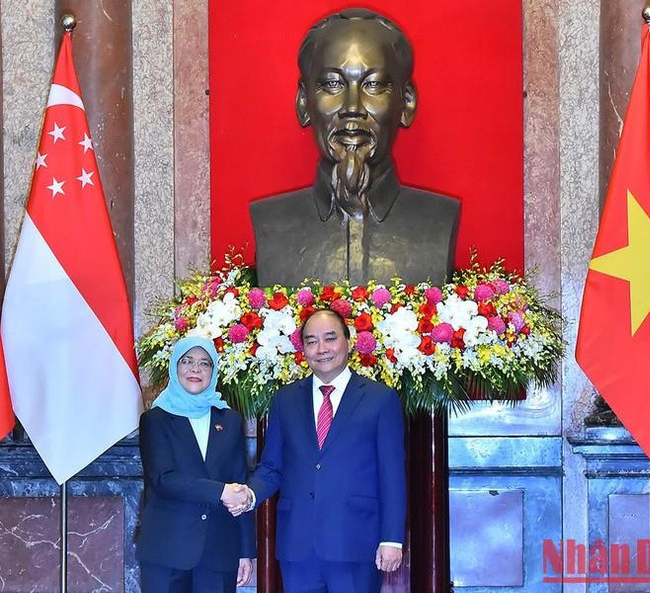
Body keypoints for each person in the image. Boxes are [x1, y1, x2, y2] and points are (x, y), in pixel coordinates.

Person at [251, 8, 460, 287]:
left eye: (373, 84)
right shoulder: (270, 223)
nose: (352, 108)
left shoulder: (439, 220)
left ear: (406, 102)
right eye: (332, 84)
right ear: (304, 102)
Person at [234, 309, 406, 593]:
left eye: (330, 338)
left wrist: (392, 538)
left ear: (348, 341)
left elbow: (392, 475)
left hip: (355, 541)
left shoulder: (380, 399)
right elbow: (272, 467)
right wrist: (249, 495)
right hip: (298, 544)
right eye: (312, 341)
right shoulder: (285, 400)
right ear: (303, 350)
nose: (321, 349)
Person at [137, 336, 255, 592]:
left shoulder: (230, 420)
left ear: (214, 371)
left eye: (204, 363)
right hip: (167, 550)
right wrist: (220, 491)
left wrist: (245, 551)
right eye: (187, 361)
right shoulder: (155, 419)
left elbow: (240, 483)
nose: (195, 369)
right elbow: (163, 479)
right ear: (174, 366)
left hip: (219, 550)